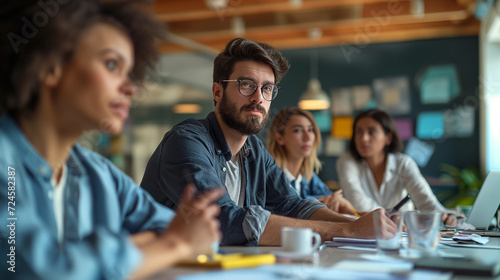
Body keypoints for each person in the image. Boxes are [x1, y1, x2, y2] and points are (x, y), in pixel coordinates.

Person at [0, 1, 223, 279]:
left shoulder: (100, 174)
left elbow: (204, 237)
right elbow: (46, 272)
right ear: (51, 66)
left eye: (129, 72)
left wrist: (95, 256)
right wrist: (172, 244)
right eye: (111, 64)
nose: (130, 87)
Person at [141, 37, 396, 246]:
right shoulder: (186, 141)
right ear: (218, 92)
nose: (258, 98)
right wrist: (349, 232)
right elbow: (221, 220)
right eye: (246, 85)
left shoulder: (253, 150)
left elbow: (291, 204)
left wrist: (357, 224)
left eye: (267, 88)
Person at [336, 108, 457, 226]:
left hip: (401, 232)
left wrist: (447, 217)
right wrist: (391, 216)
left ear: (388, 138)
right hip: (363, 231)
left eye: (371, 131)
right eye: (359, 132)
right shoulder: (347, 162)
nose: (363, 138)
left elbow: (427, 202)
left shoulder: (403, 164)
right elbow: (360, 203)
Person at [266, 107, 356, 214]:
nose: (307, 137)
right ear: (280, 138)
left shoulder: (308, 176)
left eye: (310, 130)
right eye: (297, 130)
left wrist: (349, 208)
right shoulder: (268, 176)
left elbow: (332, 199)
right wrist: (314, 204)